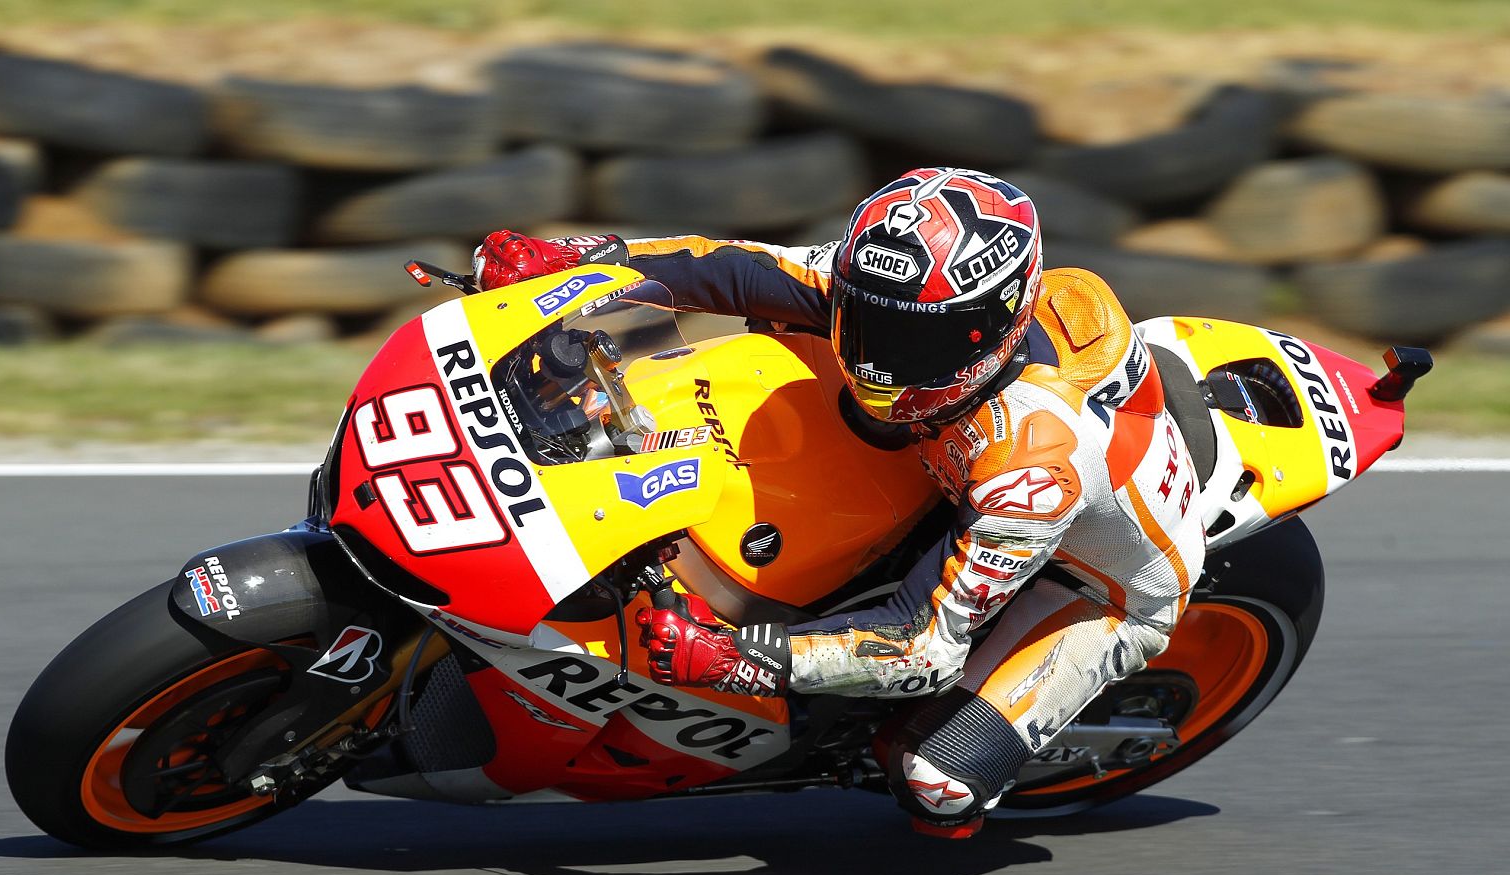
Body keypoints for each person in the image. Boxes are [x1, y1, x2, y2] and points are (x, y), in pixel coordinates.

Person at [473, 167, 1205, 838]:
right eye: (865, 318)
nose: (876, 356)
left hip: (1089, 584)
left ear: (992, 328)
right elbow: (738, 268)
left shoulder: (1033, 466)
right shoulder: (908, 286)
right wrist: (580, 260)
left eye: (911, 339)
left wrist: (736, 659)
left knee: (934, 785)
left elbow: (924, 648)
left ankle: (930, 758)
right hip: (948, 458)